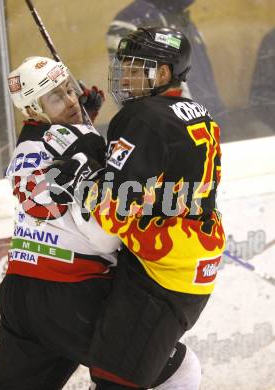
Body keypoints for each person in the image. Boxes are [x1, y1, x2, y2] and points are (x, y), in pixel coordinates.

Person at [0, 56, 201, 390]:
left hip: (26, 293)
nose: (72, 100)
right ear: (31, 111)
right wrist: (64, 177)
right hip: (68, 291)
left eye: (70, 89)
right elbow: (29, 191)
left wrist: (84, 130)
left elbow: (69, 150)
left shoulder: (56, 133)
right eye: (56, 97)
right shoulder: (32, 144)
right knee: (176, 368)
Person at [47, 26, 226, 388]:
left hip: (160, 273)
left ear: (162, 73)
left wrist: (79, 179)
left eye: (134, 66)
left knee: (116, 381)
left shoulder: (142, 116)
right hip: (191, 265)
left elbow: (116, 209)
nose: (125, 74)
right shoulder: (197, 112)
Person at [106, 0, 226, 127]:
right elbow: (129, 93)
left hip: (206, 126)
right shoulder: (130, 21)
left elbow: (203, 85)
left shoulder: (180, 18)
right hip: (176, 133)